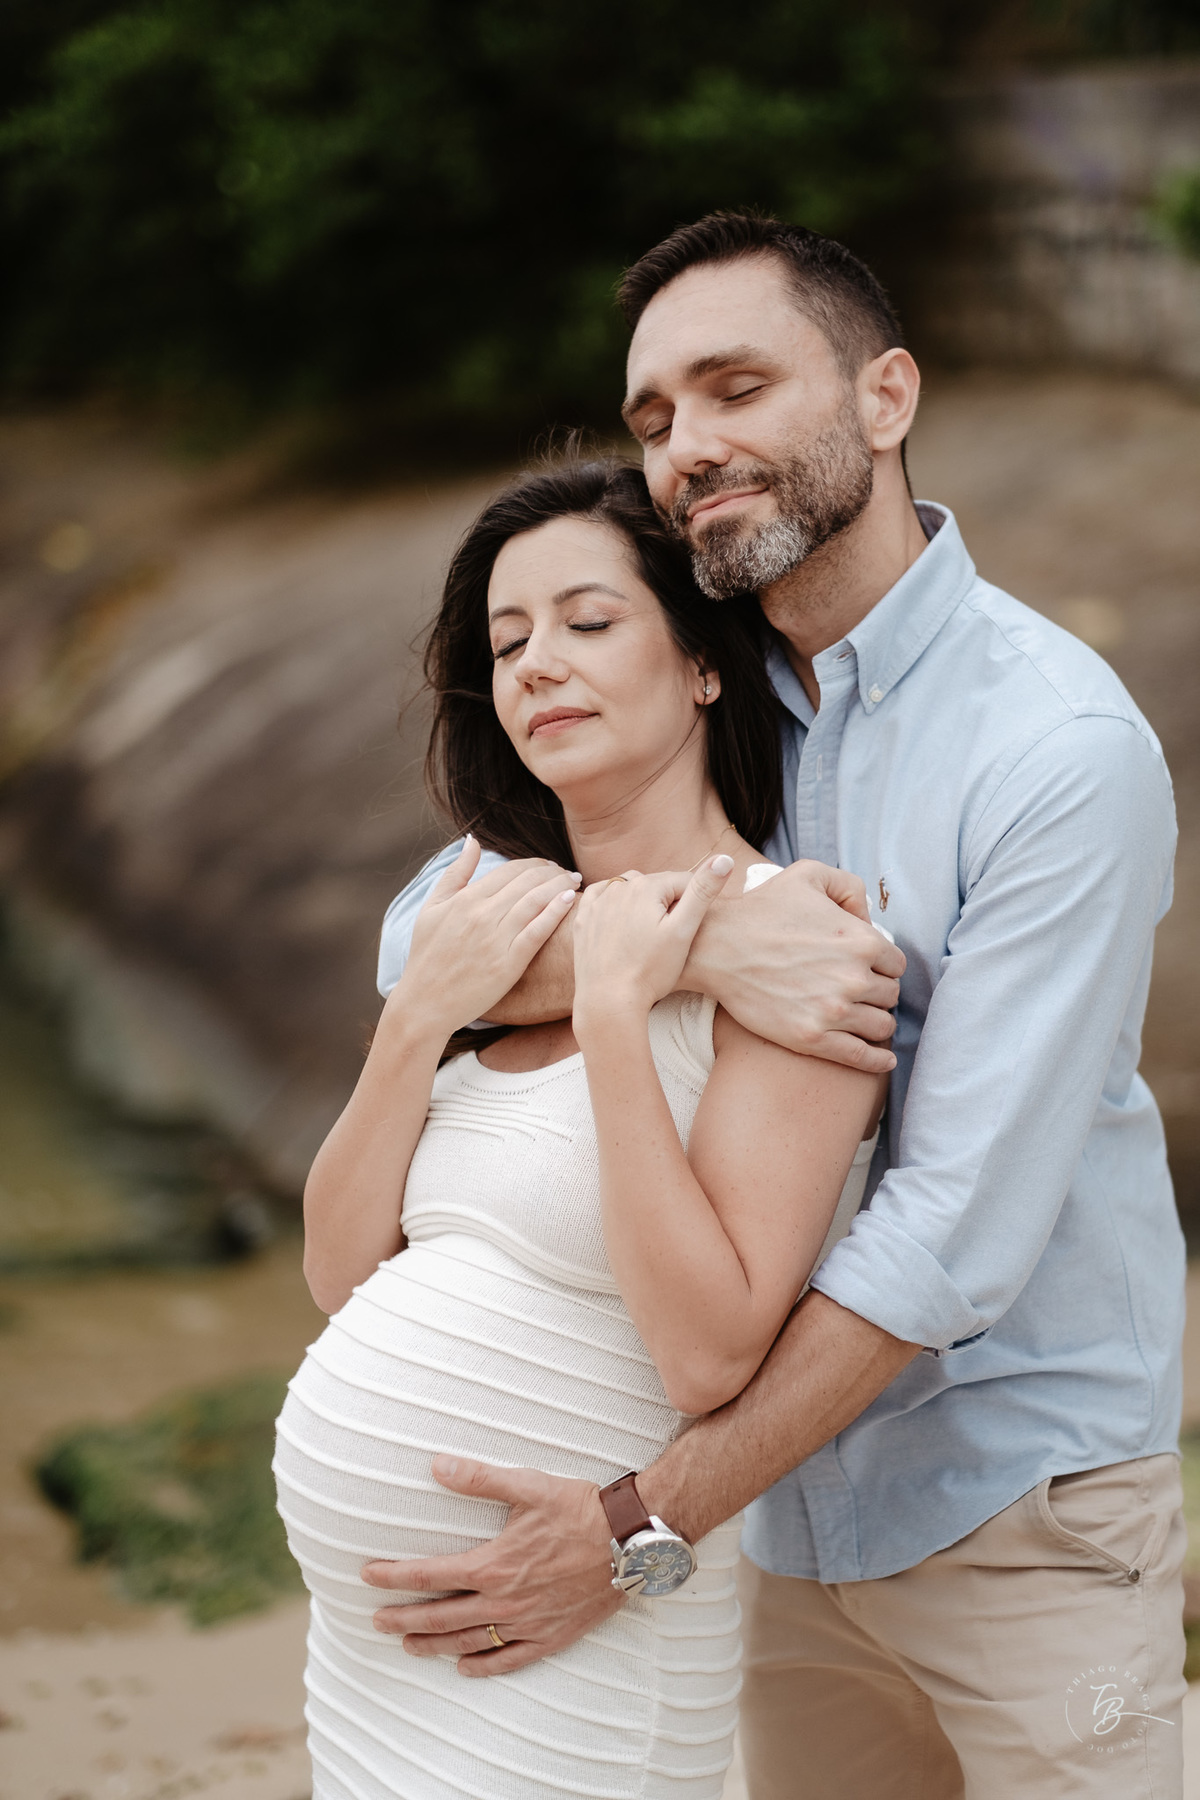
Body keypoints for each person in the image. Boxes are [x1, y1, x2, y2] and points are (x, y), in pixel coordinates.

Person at [369, 214, 1186, 1799]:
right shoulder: (697, 670)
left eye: (736, 387)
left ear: (885, 397)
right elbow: (422, 940)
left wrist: (643, 1517)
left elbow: (953, 1229)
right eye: (657, 416)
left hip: (1011, 1512)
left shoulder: (1057, 748)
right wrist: (690, 948)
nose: (688, 448)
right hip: (782, 1529)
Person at [274, 458, 889, 1799]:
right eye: (509, 642)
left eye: (588, 622)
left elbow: (709, 1350)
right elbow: (338, 1276)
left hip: (575, 1647)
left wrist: (620, 1017)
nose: (539, 663)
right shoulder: (485, 924)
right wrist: (418, 1016)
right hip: (380, 1662)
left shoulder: (797, 946)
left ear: (705, 664)